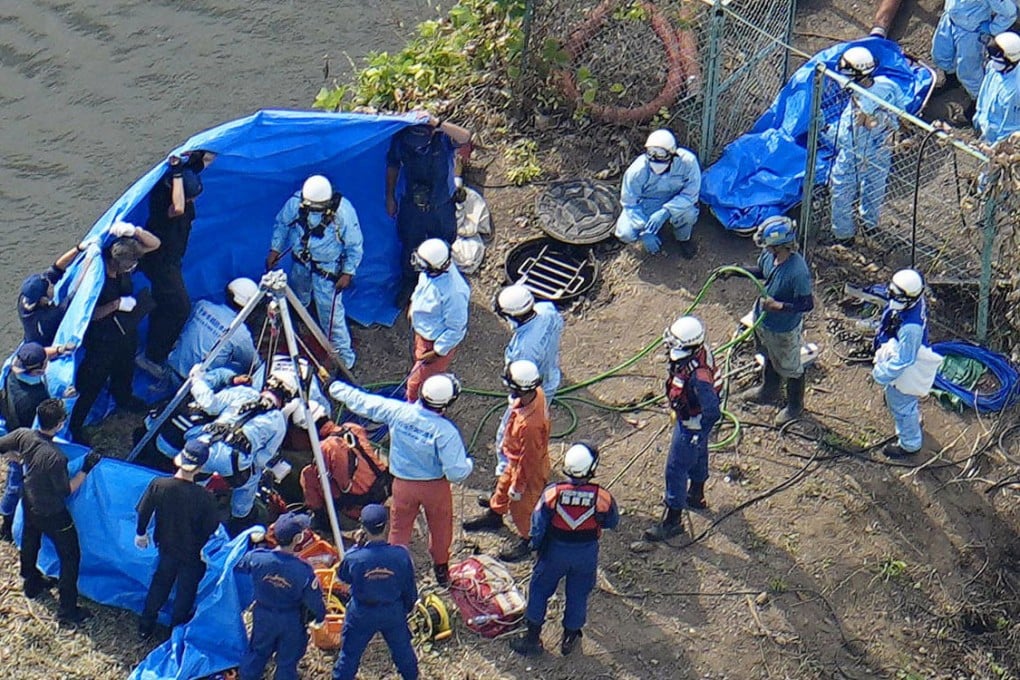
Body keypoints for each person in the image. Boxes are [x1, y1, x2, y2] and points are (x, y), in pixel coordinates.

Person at [328, 374, 472, 586]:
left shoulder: (399, 411)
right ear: (447, 403)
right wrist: (468, 463)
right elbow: (456, 473)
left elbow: (363, 402)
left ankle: (393, 570)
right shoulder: (445, 432)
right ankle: (441, 569)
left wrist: (333, 386)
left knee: (399, 528)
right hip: (434, 487)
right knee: (440, 529)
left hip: (403, 484)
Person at [511, 442, 618, 657]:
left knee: (540, 590)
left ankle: (532, 639)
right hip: (586, 553)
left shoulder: (552, 493)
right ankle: (570, 637)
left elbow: (538, 524)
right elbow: (612, 522)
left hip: (554, 552)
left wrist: (536, 546)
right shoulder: (603, 498)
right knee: (578, 594)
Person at [0, 398, 100, 623]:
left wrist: (14, 458)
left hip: (30, 500)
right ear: (59, 425)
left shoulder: (25, 435)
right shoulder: (56, 457)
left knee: (30, 537)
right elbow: (67, 490)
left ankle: (30, 580)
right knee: (70, 557)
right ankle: (67, 610)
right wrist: (86, 468)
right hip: (53, 512)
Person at [69, 222, 161, 444]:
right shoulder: (97, 275)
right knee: (92, 381)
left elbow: (155, 244)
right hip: (101, 336)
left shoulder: (124, 259)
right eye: (129, 266)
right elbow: (88, 313)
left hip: (123, 328)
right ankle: (76, 424)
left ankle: (124, 397)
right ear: (117, 262)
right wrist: (116, 304)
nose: (133, 269)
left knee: (125, 365)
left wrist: (134, 231)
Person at [266, 174, 364, 369]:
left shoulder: (343, 213)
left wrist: (347, 272)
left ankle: (345, 359)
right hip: (300, 263)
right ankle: (299, 324)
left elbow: (354, 246)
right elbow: (282, 223)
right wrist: (275, 249)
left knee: (330, 316)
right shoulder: (297, 203)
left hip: (327, 270)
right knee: (298, 297)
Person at [463, 361, 550, 562]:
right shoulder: (535, 395)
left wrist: (518, 488)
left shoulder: (530, 426)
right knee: (502, 488)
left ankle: (528, 540)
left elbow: (528, 461)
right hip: (515, 462)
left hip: (526, 470)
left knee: (522, 509)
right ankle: (495, 513)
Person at [188, 367, 292, 535]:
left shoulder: (242, 392)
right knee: (252, 478)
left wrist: (197, 380)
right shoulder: (278, 421)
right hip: (235, 462)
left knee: (193, 477)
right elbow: (261, 459)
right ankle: (239, 518)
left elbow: (210, 405)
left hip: (207, 447)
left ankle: (190, 496)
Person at [644, 316, 721, 541]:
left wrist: (698, 432)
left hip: (691, 425)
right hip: (693, 422)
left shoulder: (699, 377)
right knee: (698, 456)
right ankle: (696, 494)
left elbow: (712, 410)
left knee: (675, 469)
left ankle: (673, 520)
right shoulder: (698, 354)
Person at [134, 438, 219, 639]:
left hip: (166, 547)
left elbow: (144, 510)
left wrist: (141, 533)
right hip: (192, 554)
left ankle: (145, 626)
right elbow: (211, 527)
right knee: (186, 593)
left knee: (160, 583)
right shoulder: (205, 497)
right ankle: (176, 633)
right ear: (201, 467)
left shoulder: (159, 485)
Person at [138, 151, 214, 374]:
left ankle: (156, 340)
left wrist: (193, 154)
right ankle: (153, 356)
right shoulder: (163, 202)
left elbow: (210, 157)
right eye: (191, 197)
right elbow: (179, 207)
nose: (192, 202)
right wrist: (178, 172)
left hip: (173, 258)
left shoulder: (185, 179)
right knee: (180, 308)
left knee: (165, 303)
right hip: (160, 262)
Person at [386, 113, 473, 303]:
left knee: (444, 243)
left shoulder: (443, 139)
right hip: (413, 204)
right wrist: (390, 197)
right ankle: (410, 283)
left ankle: (444, 283)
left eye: (421, 142)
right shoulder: (402, 140)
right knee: (409, 244)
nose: (418, 146)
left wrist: (439, 123)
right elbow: (392, 166)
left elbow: (466, 137)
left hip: (441, 204)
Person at [735, 217, 815, 424]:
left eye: (768, 245)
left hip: (783, 329)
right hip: (763, 320)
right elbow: (762, 272)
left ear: (781, 246)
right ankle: (769, 389)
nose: (765, 248)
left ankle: (795, 405)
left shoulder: (798, 272)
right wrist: (739, 271)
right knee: (768, 354)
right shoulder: (770, 256)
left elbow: (806, 304)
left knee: (791, 367)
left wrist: (779, 307)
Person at [828, 46, 908, 243]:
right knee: (875, 185)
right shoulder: (887, 85)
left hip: (855, 152)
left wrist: (825, 130)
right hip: (883, 147)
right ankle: (869, 223)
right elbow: (901, 112)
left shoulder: (858, 108)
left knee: (841, 189)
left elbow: (845, 137)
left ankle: (843, 235)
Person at [331, 504, 419, 680]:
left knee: (349, 655)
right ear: (386, 526)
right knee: (403, 652)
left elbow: (343, 576)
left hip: (362, 612)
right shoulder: (400, 555)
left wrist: (357, 546)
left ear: (363, 528)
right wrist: (405, 609)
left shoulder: (354, 557)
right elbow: (409, 588)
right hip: (392, 610)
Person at [236, 511, 326, 680]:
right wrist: (321, 616)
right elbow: (313, 600)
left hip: (263, 614)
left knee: (257, 653)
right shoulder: (303, 570)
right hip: (290, 620)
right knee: (287, 662)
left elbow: (237, 565)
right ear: (298, 539)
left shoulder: (257, 559)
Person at [491, 284, 563, 474]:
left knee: (508, 433)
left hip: (532, 391)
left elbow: (519, 380)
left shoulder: (525, 350)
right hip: (550, 376)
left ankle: (506, 471)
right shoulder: (547, 310)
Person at [292, 401, 391, 530]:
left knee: (308, 475)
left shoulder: (325, 448)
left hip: (359, 505)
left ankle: (323, 521)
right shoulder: (351, 428)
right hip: (382, 488)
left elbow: (331, 481)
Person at [0, 343, 62, 541]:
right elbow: (45, 426)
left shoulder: (10, 372)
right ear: (38, 370)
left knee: (15, 484)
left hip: (10, 434)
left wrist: (60, 350)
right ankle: (7, 524)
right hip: (23, 446)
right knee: (16, 484)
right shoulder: (35, 399)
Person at [614, 129, 701, 259]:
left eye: (660, 154)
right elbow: (630, 203)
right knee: (625, 232)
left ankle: (683, 238)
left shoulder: (688, 162)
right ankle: (650, 233)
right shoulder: (637, 171)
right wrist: (644, 230)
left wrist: (666, 211)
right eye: (651, 153)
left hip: (677, 200)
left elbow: (691, 194)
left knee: (689, 214)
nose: (655, 158)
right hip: (648, 203)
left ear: (672, 154)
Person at [872, 269, 930, 458]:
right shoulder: (913, 301)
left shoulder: (911, 329)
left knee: (901, 403)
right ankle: (914, 421)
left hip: (909, 368)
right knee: (905, 402)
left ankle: (910, 445)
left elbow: (904, 360)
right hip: (910, 354)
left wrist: (881, 373)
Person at [405, 239, 470, 403]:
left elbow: (456, 330)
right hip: (424, 332)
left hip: (434, 343)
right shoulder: (430, 272)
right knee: (419, 368)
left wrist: (437, 353)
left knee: (416, 383)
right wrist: (413, 306)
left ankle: (414, 408)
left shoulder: (454, 293)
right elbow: (421, 287)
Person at [162, 277, 260, 382]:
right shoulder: (240, 333)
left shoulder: (202, 305)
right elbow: (253, 364)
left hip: (170, 366)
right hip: (193, 386)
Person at [931, 0, 1016, 109]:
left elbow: (1009, 13)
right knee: (940, 54)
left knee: (969, 71)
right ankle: (952, 80)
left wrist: (992, 28)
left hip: (971, 32)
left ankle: (977, 101)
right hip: (950, 19)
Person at [18, 244, 84, 347]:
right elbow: (76, 291)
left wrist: (78, 248)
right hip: (45, 347)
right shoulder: (50, 316)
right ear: (43, 298)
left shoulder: (25, 298)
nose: (52, 285)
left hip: (29, 338)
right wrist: (89, 261)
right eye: (50, 286)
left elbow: (56, 268)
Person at [974, 32, 1020, 144]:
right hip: (984, 126)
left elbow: (1010, 125)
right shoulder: (993, 67)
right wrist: (978, 117)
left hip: (1001, 139)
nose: (993, 64)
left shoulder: (1016, 90)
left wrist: (1000, 146)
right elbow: (984, 92)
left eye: (997, 61)